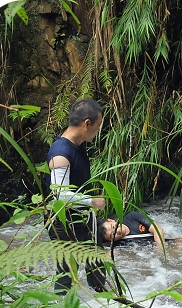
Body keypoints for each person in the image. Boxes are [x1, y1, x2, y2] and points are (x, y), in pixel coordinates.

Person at [45, 98, 107, 294]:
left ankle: (104, 303)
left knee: (97, 261)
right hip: (62, 221)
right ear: (87, 123)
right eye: (97, 126)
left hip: (82, 216)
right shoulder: (61, 153)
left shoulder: (78, 145)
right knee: (67, 269)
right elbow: (59, 196)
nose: (98, 131)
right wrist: (92, 201)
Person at [98, 211, 164, 245]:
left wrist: (160, 250)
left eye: (113, 227)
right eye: (113, 235)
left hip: (162, 243)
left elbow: (157, 229)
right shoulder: (118, 246)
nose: (118, 231)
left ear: (111, 220)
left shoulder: (132, 216)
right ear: (110, 241)